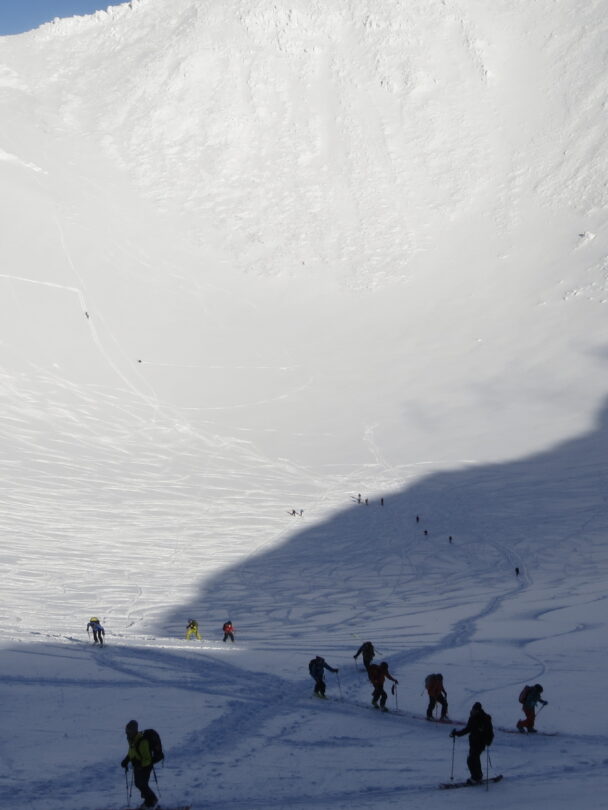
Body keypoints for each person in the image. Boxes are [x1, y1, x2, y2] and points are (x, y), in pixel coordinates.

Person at [450, 702, 494, 784]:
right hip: (473, 742)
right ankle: (478, 775)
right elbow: (467, 729)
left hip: (481, 743)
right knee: (475, 759)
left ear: (479, 710)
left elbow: (490, 732)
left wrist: (489, 741)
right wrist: (456, 733)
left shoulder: (485, 719)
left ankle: (475, 777)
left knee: (471, 759)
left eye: (475, 710)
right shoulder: (472, 718)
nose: (473, 711)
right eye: (473, 709)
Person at [121, 720, 158, 809]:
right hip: (138, 766)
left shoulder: (142, 742)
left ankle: (151, 800)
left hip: (145, 767)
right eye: (126, 731)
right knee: (138, 784)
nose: (127, 733)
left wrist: (140, 764)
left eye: (128, 731)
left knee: (142, 784)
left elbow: (147, 759)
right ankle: (149, 800)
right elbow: (132, 751)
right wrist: (127, 760)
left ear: (134, 731)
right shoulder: (131, 739)